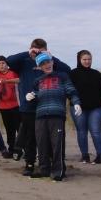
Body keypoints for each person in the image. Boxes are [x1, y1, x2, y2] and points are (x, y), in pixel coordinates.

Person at [5, 38, 71, 177]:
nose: (38, 53)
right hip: (28, 106)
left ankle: (55, 164)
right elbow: (8, 61)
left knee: (52, 138)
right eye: (36, 49)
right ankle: (29, 164)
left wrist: (50, 57)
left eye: (41, 50)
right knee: (31, 138)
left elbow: (67, 70)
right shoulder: (24, 61)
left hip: (49, 106)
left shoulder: (49, 63)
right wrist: (27, 53)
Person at [26, 53, 82, 181]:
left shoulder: (62, 76)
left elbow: (71, 91)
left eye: (47, 62)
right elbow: (34, 95)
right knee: (42, 144)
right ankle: (44, 169)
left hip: (57, 115)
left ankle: (58, 171)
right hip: (40, 116)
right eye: (43, 64)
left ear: (52, 62)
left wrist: (76, 103)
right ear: (39, 66)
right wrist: (29, 97)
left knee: (57, 144)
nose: (46, 65)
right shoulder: (37, 81)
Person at [70, 50, 101, 164]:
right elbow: (68, 90)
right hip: (78, 108)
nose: (87, 61)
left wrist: (99, 102)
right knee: (81, 132)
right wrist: (74, 102)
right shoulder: (73, 74)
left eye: (89, 59)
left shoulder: (96, 74)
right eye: (84, 59)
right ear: (79, 60)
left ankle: (100, 155)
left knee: (96, 131)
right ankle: (85, 155)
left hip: (95, 109)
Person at [0, 56, 21, 159]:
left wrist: (6, 81)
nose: (1, 65)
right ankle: (12, 149)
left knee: (19, 128)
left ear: (7, 64)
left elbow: (19, 80)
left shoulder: (12, 72)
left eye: (3, 63)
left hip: (15, 105)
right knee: (9, 129)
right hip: (3, 106)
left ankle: (20, 149)